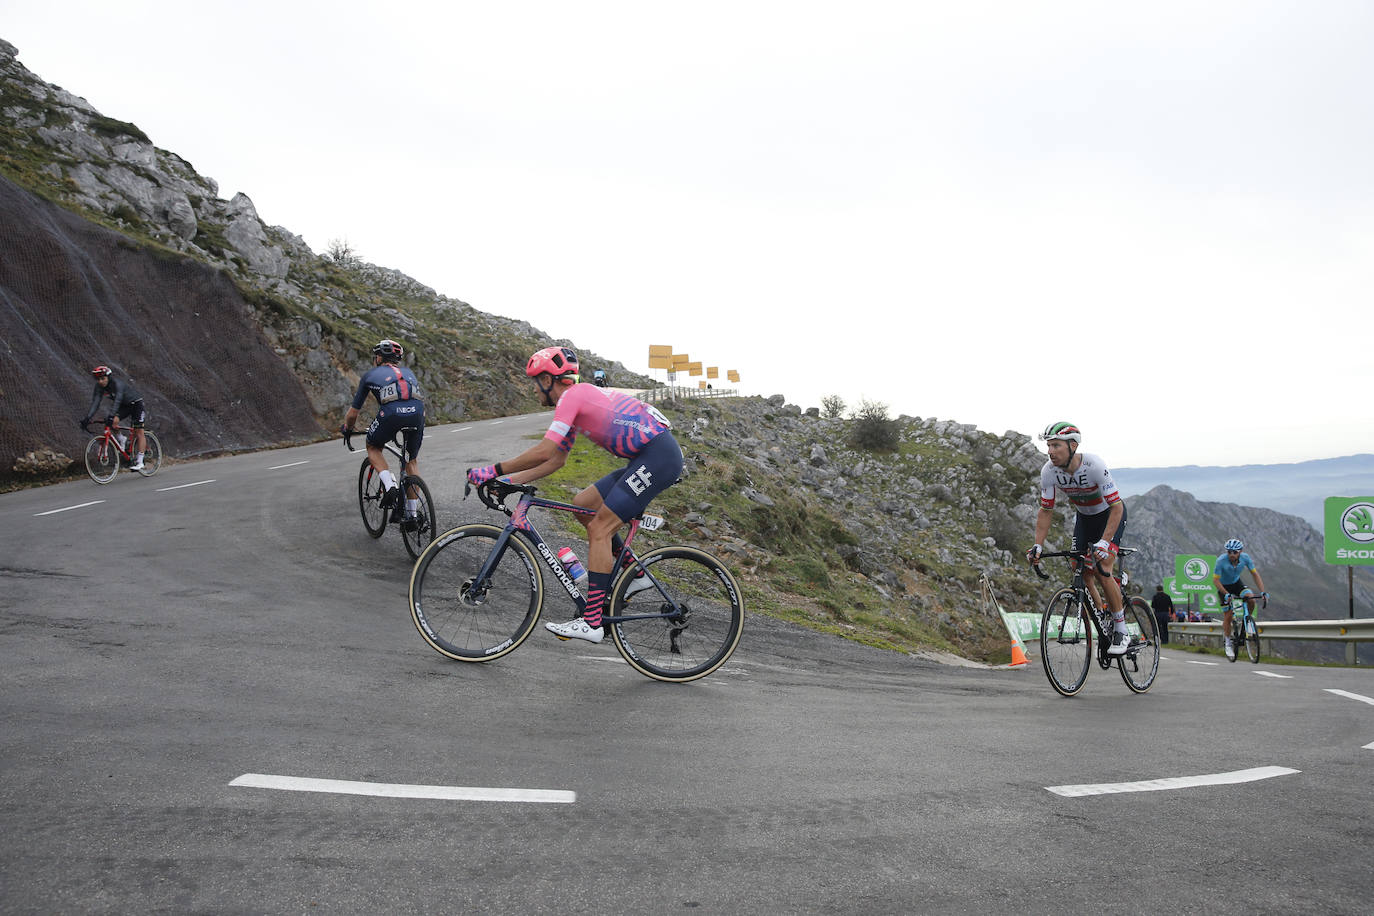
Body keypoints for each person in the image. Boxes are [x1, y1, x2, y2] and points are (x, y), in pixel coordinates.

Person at [467, 346, 682, 644]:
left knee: (600, 528)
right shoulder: (575, 400)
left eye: (534, 382)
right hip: (649, 457)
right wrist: (507, 481)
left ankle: (592, 621)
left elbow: (543, 450)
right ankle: (634, 571)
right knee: (583, 506)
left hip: (659, 458)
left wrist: (492, 470)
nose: (534, 390)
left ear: (546, 379)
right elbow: (555, 460)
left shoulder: (572, 396)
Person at [1026, 421, 1132, 655]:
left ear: (1072, 445)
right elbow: (1046, 510)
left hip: (1110, 515)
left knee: (1103, 568)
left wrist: (1105, 542)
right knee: (1080, 569)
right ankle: (1103, 618)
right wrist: (1038, 545)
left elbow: (1116, 507)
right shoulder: (1049, 472)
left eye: (1056, 445)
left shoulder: (1094, 465)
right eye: (1048, 446)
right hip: (1084, 519)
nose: (1050, 451)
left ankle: (1122, 629)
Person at [341, 339, 426, 529]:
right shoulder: (409, 373)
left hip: (391, 414)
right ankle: (412, 515)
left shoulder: (370, 375)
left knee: (373, 446)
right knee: (411, 461)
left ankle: (390, 487)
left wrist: (347, 429)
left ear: (378, 358)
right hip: (418, 414)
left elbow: (353, 413)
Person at [80, 365, 148, 470]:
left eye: (103, 378)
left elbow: (118, 400)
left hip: (136, 404)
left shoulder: (117, 384)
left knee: (139, 432)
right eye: (98, 379)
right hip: (125, 406)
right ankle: (122, 439)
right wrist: (88, 418)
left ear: (109, 377)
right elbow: (96, 403)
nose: (100, 381)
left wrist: (111, 415)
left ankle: (140, 461)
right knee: (111, 422)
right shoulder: (99, 387)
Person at [1212, 537, 1268, 661]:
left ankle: (1247, 622)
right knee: (1229, 615)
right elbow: (1215, 580)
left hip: (1237, 584)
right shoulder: (1221, 561)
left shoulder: (1245, 558)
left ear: (1240, 552)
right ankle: (1228, 642)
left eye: (1235, 552)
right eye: (1229, 552)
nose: (1231, 555)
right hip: (1223, 587)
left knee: (1251, 599)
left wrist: (1263, 591)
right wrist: (1226, 594)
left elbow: (1255, 574)